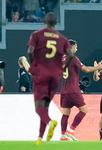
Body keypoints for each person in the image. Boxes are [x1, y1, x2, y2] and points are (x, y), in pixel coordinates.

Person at [27, 12, 74, 145]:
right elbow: (70, 54)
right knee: (45, 106)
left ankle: (49, 122)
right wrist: (63, 69)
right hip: (54, 76)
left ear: (44, 22)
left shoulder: (37, 35)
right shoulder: (62, 38)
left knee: (38, 107)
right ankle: (40, 138)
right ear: (56, 23)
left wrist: (34, 64)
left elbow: (30, 51)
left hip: (41, 73)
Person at [60, 39, 102, 141]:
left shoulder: (62, 59)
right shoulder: (73, 58)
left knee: (65, 114)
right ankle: (71, 130)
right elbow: (86, 69)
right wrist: (98, 67)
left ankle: (63, 136)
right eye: (76, 47)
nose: (77, 48)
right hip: (73, 90)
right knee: (84, 110)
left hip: (64, 91)